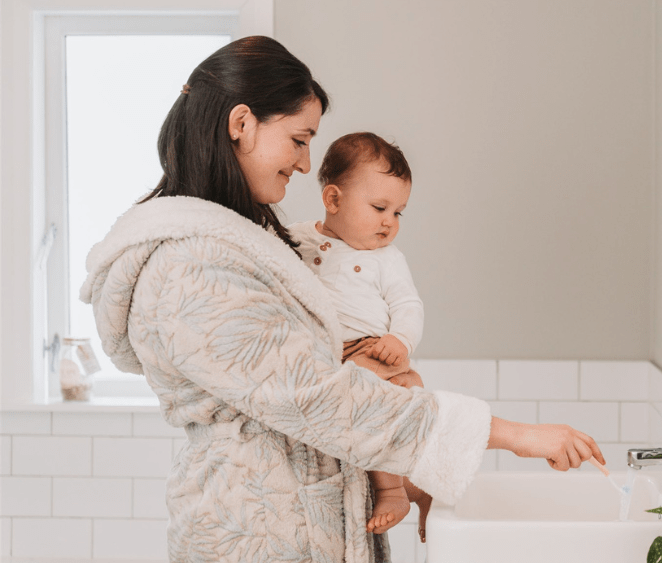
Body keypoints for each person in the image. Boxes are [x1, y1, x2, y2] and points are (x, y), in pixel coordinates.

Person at [80, 35, 604, 563]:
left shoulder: (240, 244)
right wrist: (515, 435)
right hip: (258, 539)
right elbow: (317, 396)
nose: (307, 164)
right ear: (241, 124)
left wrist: (409, 472)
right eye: (299, 139)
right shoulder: (191, 265)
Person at [286, 132, 429, 538]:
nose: (390, 221)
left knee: (391, 407)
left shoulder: (387, 259)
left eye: (399, 212)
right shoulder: (296, 240)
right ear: (333, 200)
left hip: (375, 354)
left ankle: (394, 490)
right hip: (333, 361)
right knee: (373, 415)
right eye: (380, 207)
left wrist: (400, 340)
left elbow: (408, 305)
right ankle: (412, 485)